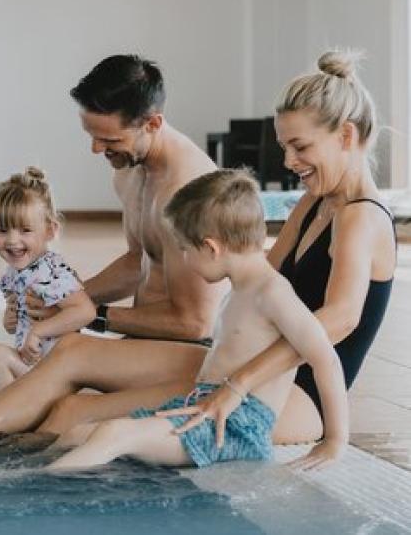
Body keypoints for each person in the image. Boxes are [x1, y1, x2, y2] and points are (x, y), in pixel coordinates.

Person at [0, 54, 227, 448]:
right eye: (90, 134)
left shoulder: (191, 192)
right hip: (141, 344)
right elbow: (135, 261)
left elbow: (196, 324)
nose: (95, 149)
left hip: (190, 354)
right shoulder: (130, 173)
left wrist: (93, 317)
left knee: (63, 379)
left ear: (152, 123)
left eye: (109, 140)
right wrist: (66, 299)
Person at [0, 170, 349, 476]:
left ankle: (4, 479)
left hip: (234, 427)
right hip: (198, 405)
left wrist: (334, 441)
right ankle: (25, 462)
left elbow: (325, 358)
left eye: (185, 251)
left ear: (211, 247)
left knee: (114, 434)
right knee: (81, 431)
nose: (182, 261)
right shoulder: (241, 290)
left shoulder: (272, 293)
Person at [166, 50, 395, 449]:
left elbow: (339, 320)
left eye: (300, 147)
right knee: (94, 395)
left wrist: (239, 382)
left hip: (301, 395)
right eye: (284, 146)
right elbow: (259, 277)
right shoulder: (315, 202)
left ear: (346, 136)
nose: (289, 161)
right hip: (255, 368)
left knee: (136, 428)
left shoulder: (361, 218)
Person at [0, 167, 95, 406]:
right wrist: (11, 319)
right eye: (2, 230)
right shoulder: (17, 272)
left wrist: (39, 331)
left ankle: (0, 426)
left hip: (56, 376)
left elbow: (85, 311)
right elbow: (17, 325)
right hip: (32, 368)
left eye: (25, 230)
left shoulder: (50, 270)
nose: (12, 240)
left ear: (50, 230)